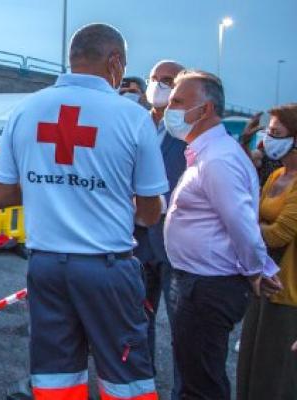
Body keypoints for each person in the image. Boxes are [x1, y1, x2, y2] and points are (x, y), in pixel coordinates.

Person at [0, 24, 166, 400]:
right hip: (107, 267)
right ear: (115, 61)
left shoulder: (25, 110)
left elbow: (1, 194)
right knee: (125, 375)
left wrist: (50, 186)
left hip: (46, 266)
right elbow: (151, 212)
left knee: (55, 375)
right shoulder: (132, 117)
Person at [163, 70, 283, 400]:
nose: (169, 107)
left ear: (205, 110)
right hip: (199, 283)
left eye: (177, 101)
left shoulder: (219, 159)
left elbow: (241, 224)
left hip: (209, 286)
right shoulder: (207, 154)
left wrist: (258, 269)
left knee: (201, 384)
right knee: (196, 375)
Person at [133, 59, 186, 398]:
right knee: (138, 318)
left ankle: (184, 390)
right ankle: (141, 381)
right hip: (134, 240)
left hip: (173, 241)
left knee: (181, 325)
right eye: (155, 79)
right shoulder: (136, 123)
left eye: (167, 81)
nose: (158, 86)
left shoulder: (185, 133)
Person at [236, 103, 297, 400]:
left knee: (275, 377)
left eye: (276, 132)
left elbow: (282, 234)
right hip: (263, 284)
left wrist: (251, 228)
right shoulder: (277, 176)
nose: (268, 138)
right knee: (250, 368)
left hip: (288, 292)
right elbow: (251, 211)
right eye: (267, 131)